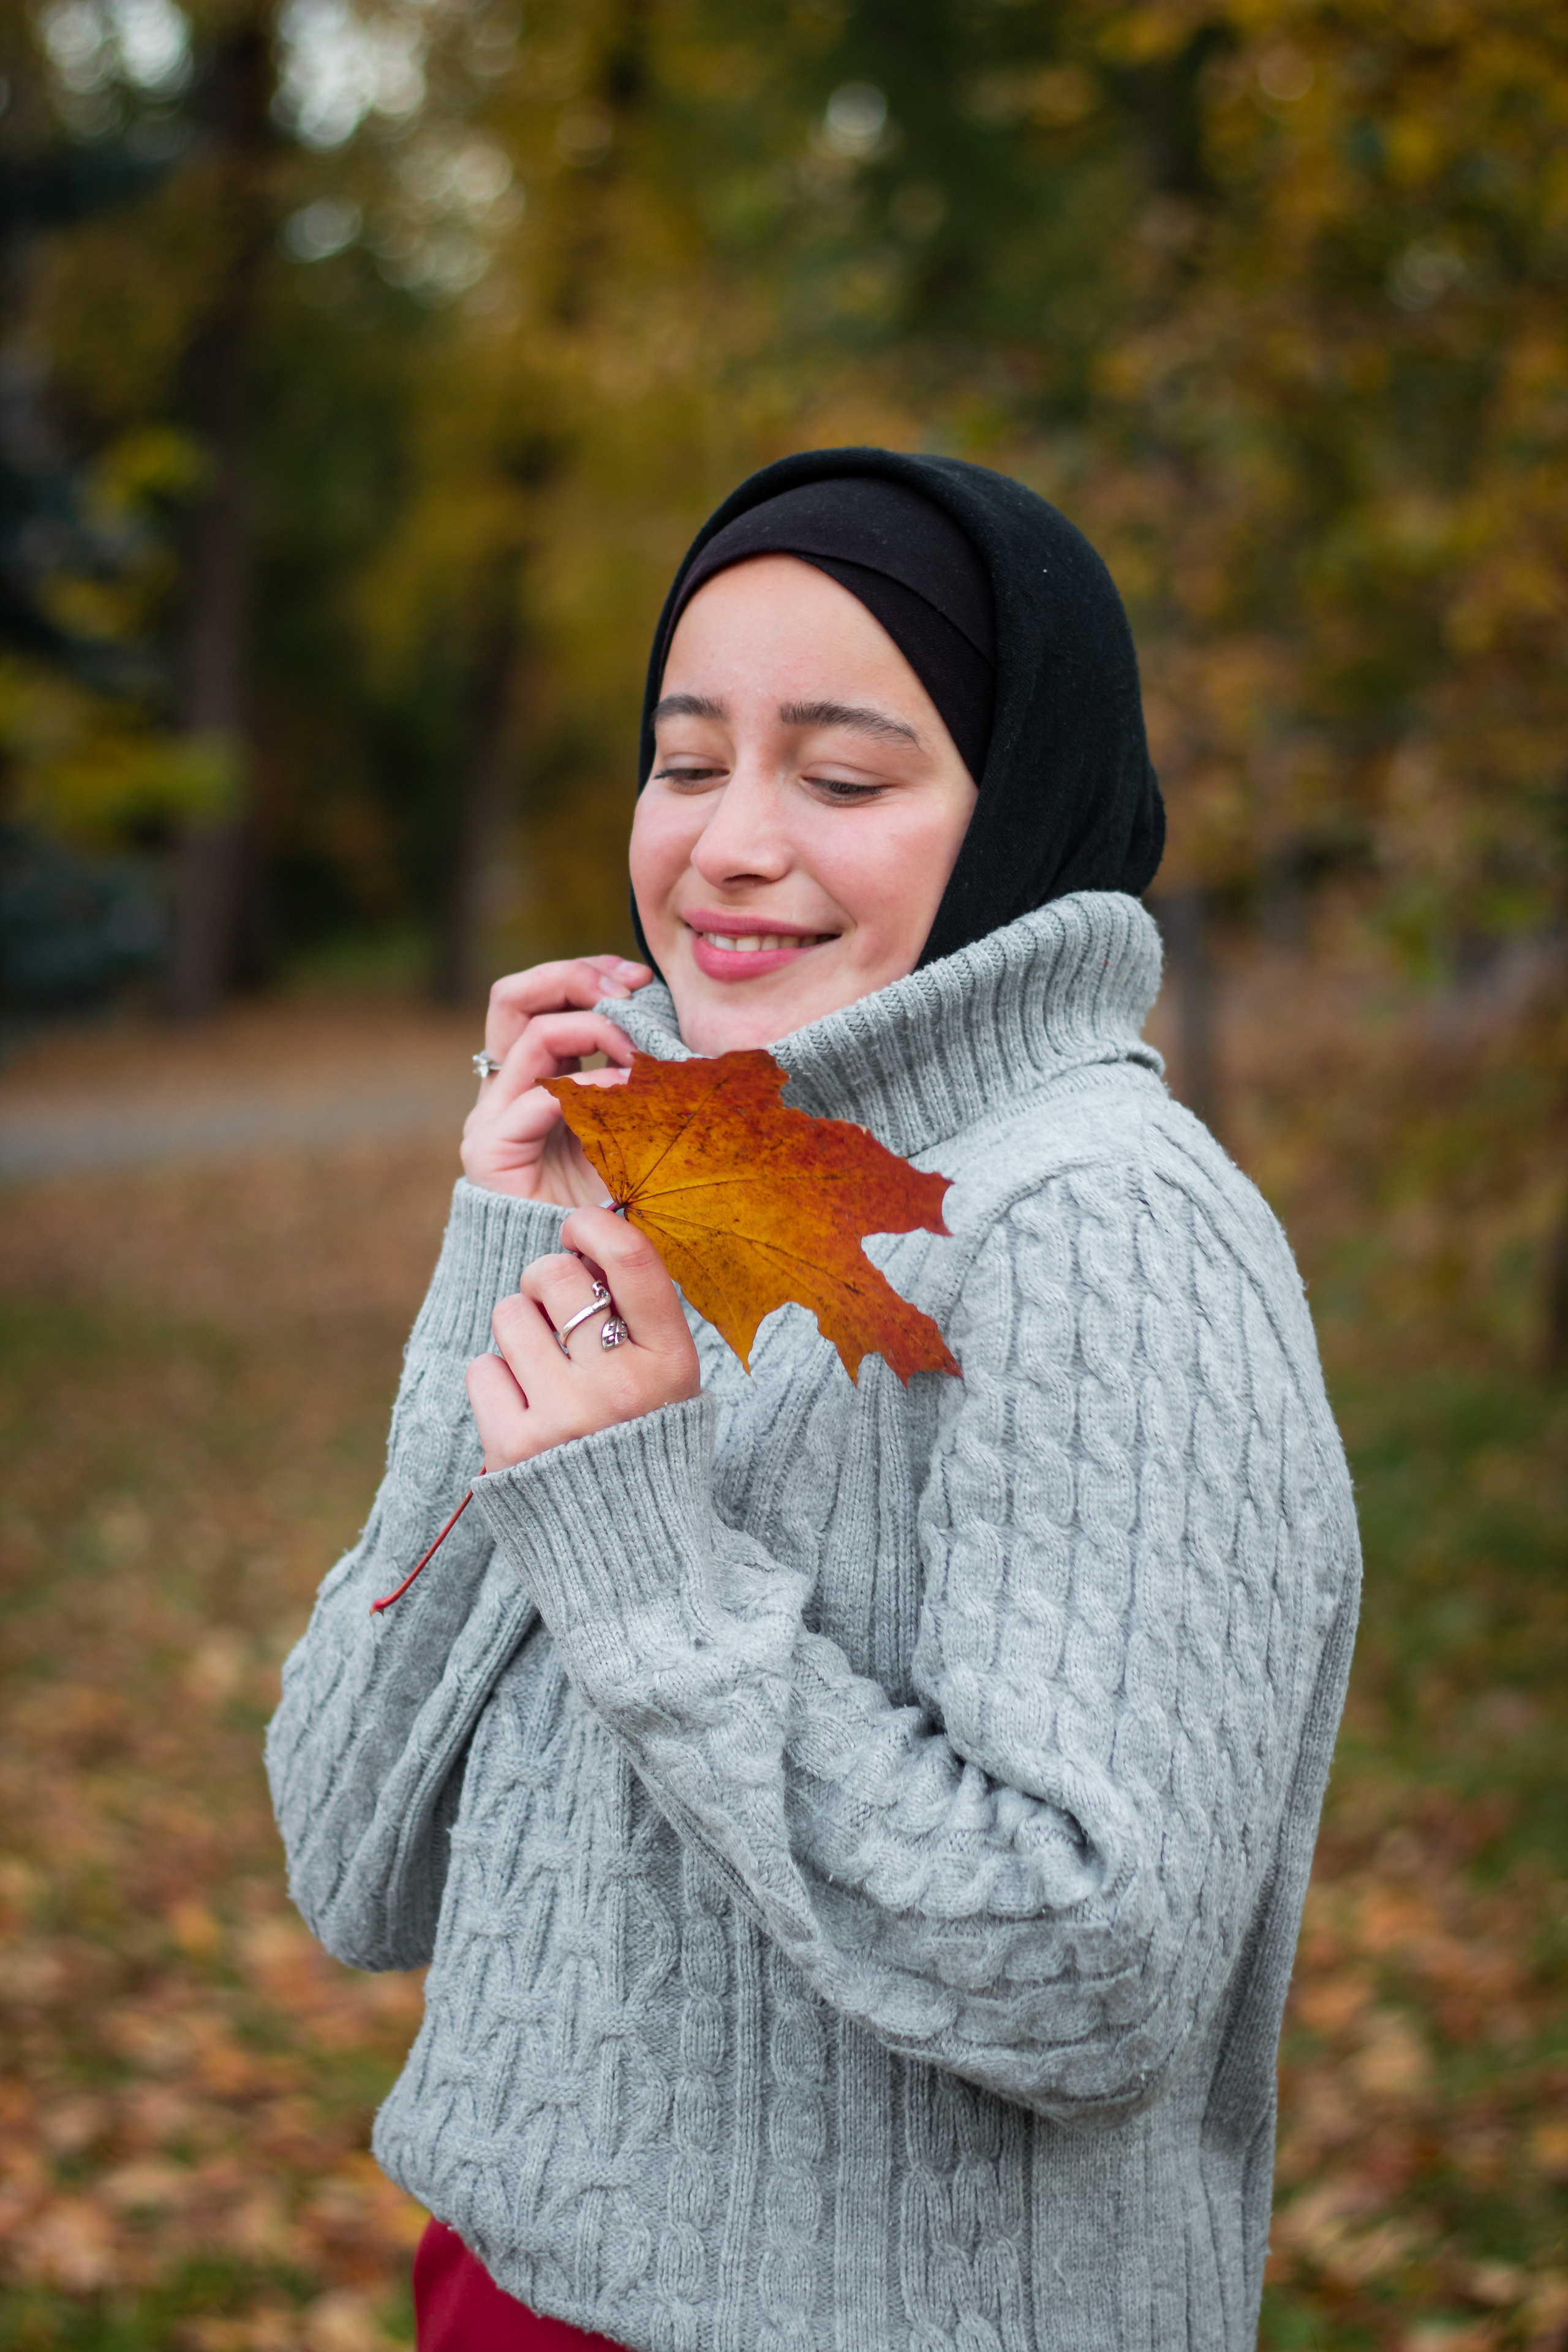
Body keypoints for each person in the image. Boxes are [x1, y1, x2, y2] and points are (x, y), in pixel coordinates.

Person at [268, 448, 1360, 2352]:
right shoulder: (694, 1170)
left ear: (1017, 805)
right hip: (500, 2295)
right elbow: (354, 1859)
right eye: (688, 762)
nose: (731, 844)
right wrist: (499, 1244)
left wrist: (649, 1559)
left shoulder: (1098, 1228)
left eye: (842, 777)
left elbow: (1091, 1981)